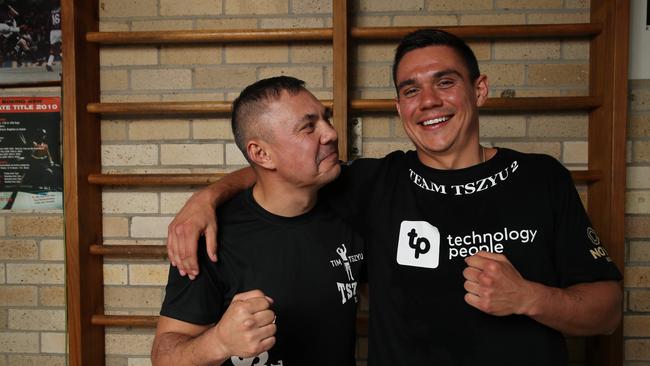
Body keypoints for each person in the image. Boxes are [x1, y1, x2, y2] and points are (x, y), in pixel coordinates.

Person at [165, 29, 622, 365]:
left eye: (445, 82)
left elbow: (607, 311)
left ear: (478, 89)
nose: (428, 101)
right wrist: (206, 196)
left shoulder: (541, 178)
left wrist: (528, 297)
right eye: (410, 90)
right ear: (400, 106)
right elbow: (286, 172)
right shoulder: (372, 182)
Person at [151, 76, 364, 366]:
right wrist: (218, 342)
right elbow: (164, 357)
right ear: (261, 154)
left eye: (326, 118)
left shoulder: (354, 203)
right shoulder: (212, 237)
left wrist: (208, 194)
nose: (331, 133)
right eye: (308, 127)